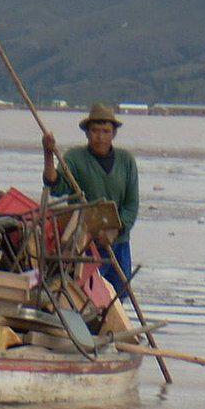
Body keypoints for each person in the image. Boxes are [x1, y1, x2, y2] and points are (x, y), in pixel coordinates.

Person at [41, 101, 139, 286]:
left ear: (113, 134)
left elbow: (131, 205)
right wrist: (48, 154)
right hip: (85, 243)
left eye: (105, 131)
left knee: (117, 296)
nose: (100, 137)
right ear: (87, 133)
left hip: (118, 243)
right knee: (85, 292)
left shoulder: (126, 161)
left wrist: (116, 230)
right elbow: (56, 186)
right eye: (95, 131)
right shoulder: (75, 158)